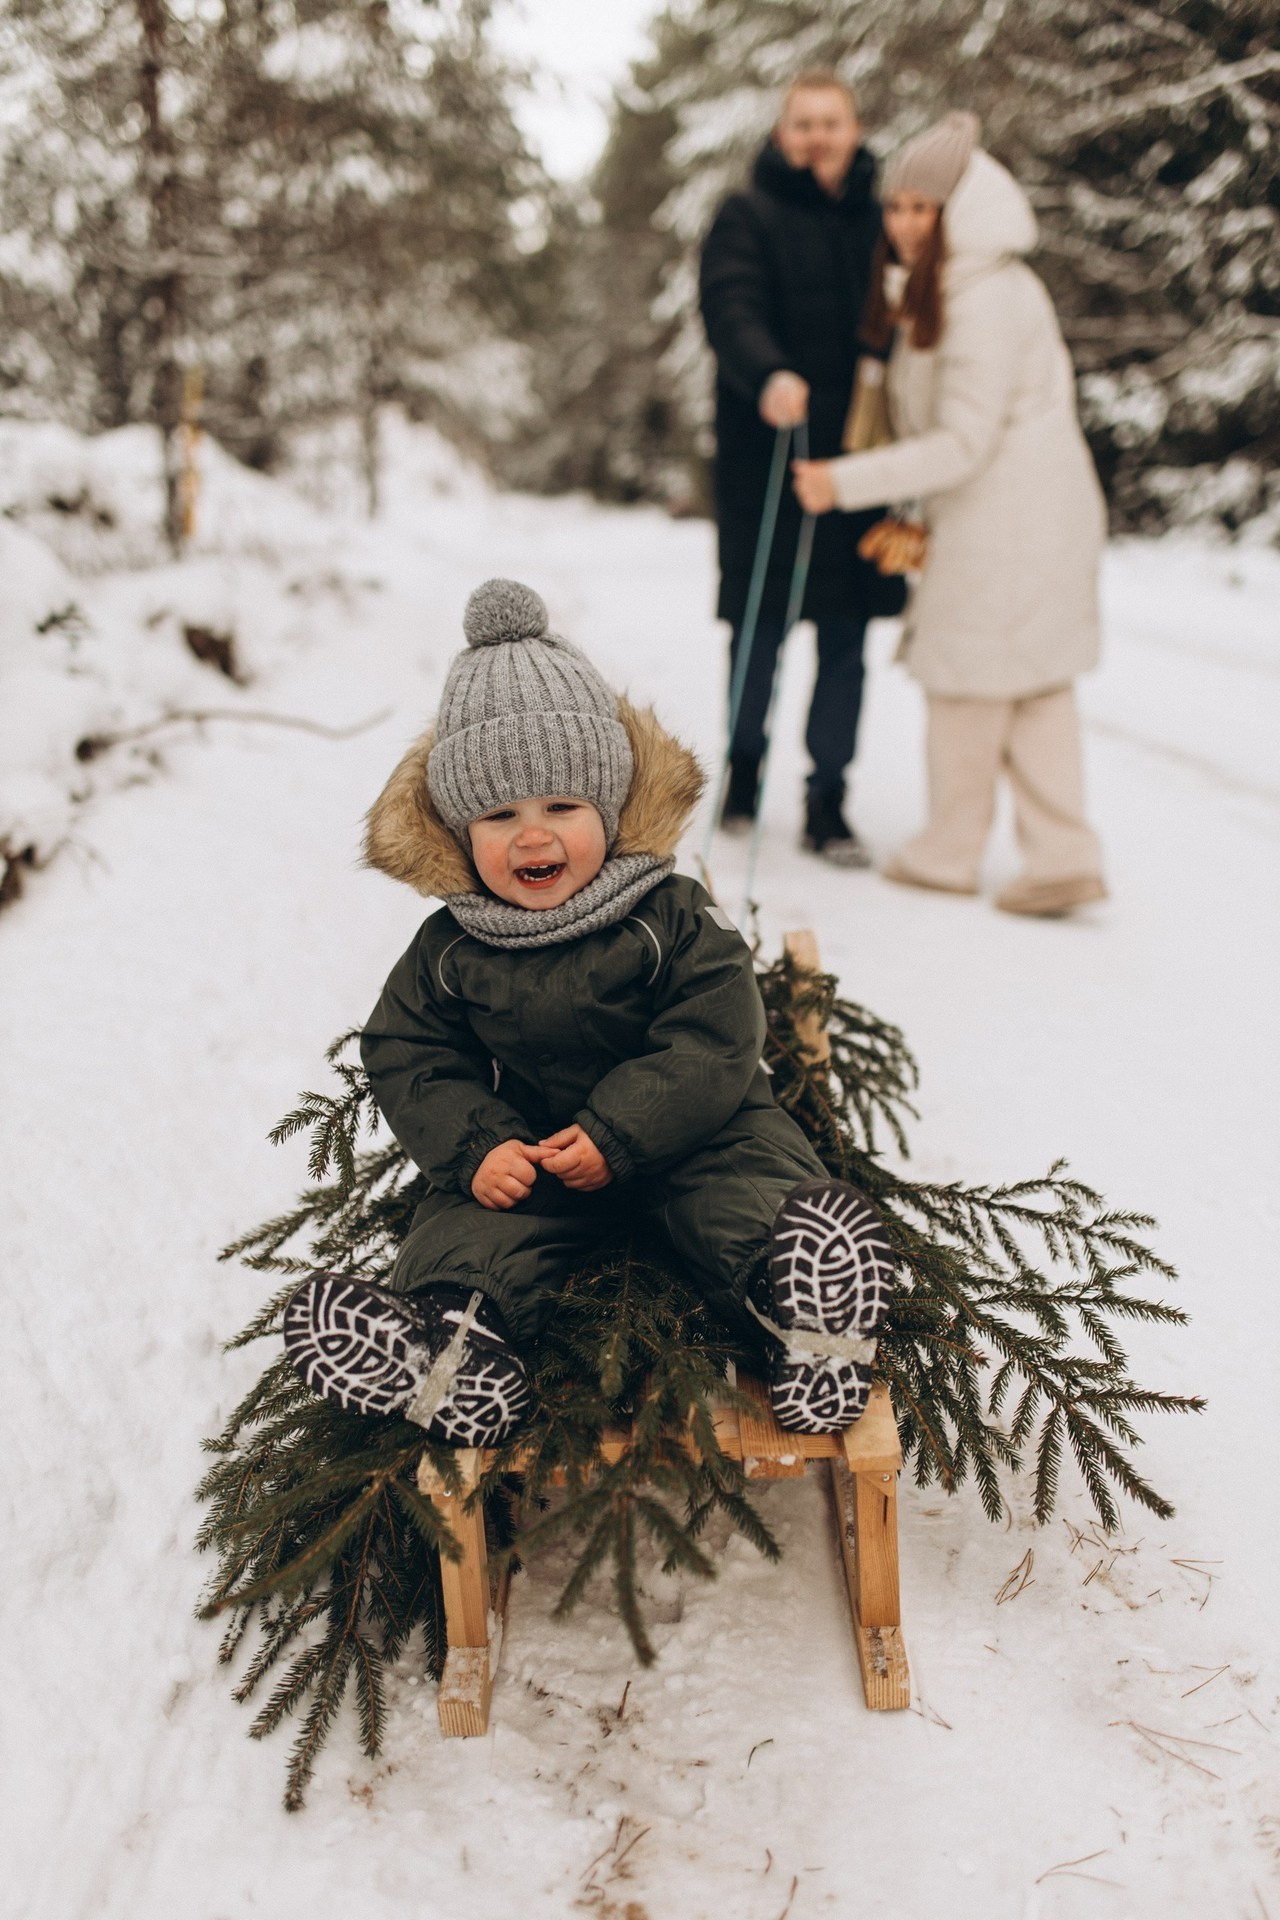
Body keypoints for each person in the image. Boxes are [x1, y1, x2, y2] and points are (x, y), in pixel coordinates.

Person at [280, 579, 896, 1443]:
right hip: (535, 1149)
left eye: (562, 808)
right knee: (469, 1227)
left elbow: (716, 1033)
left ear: (608, 806)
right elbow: (409, 1051)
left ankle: (810, 1314)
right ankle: (447, 1356)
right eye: (499, 816)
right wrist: (477, 1143)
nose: (534, 838)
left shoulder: (670, 911)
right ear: (460, 832)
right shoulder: (451, 945)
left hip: (690, 1133)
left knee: (746, 1189)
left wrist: (622, 1132)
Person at [793, 113, 1108, 917]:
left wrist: (844, 481)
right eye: (895, 207)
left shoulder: (982, 296)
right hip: (1022, 513)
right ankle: (1062, 856)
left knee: (966, 682)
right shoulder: (964, 282)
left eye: (921, 208)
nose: (902, 223)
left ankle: (950, 850)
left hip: (1005, 521)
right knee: (1033, 684)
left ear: (960, 209)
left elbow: (962, 440)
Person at [699, 70, 901, 867]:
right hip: (767, 460)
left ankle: (828, 800)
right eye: (803, 123)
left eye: (832, 122)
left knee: (847, 639)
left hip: (860, 465)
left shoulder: (885, 221)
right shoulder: (746, 214)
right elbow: (728, 304)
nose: (818, 135)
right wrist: (768, 373)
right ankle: (744, 770)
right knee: (759, 629)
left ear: (854, 131)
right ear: (783, 135)